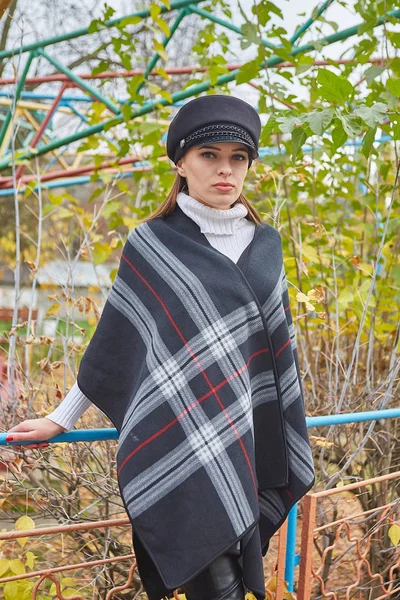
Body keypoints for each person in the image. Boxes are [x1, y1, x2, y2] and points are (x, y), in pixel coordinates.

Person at [6, 94, 315, 600]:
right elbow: (116, 345)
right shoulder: (153, 244)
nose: (225, 170)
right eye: (208, 156)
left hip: (248, 441)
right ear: (180, 163)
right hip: (181, 442)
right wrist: (61, 417)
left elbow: (275, 356)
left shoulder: (268, 245)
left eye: (238, 158)